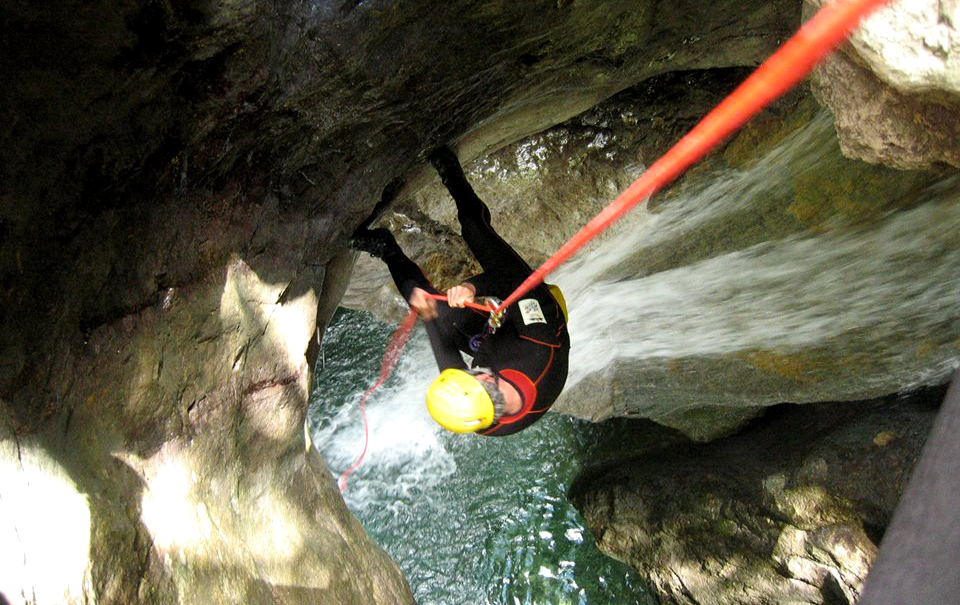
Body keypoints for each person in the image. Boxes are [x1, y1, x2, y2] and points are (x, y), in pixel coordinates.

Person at [351, 147, 570, 436]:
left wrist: (429, 316)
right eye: (474, 375)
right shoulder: (538, 348)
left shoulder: (480, 416)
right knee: (475, 230)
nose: (471, 371)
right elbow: (513, 280)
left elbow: (452, 371)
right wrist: (472, 287)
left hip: (496, 344)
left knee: (423, 301)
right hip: (535, 317)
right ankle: (452, 175)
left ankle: (385, 247)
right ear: (489, 384)